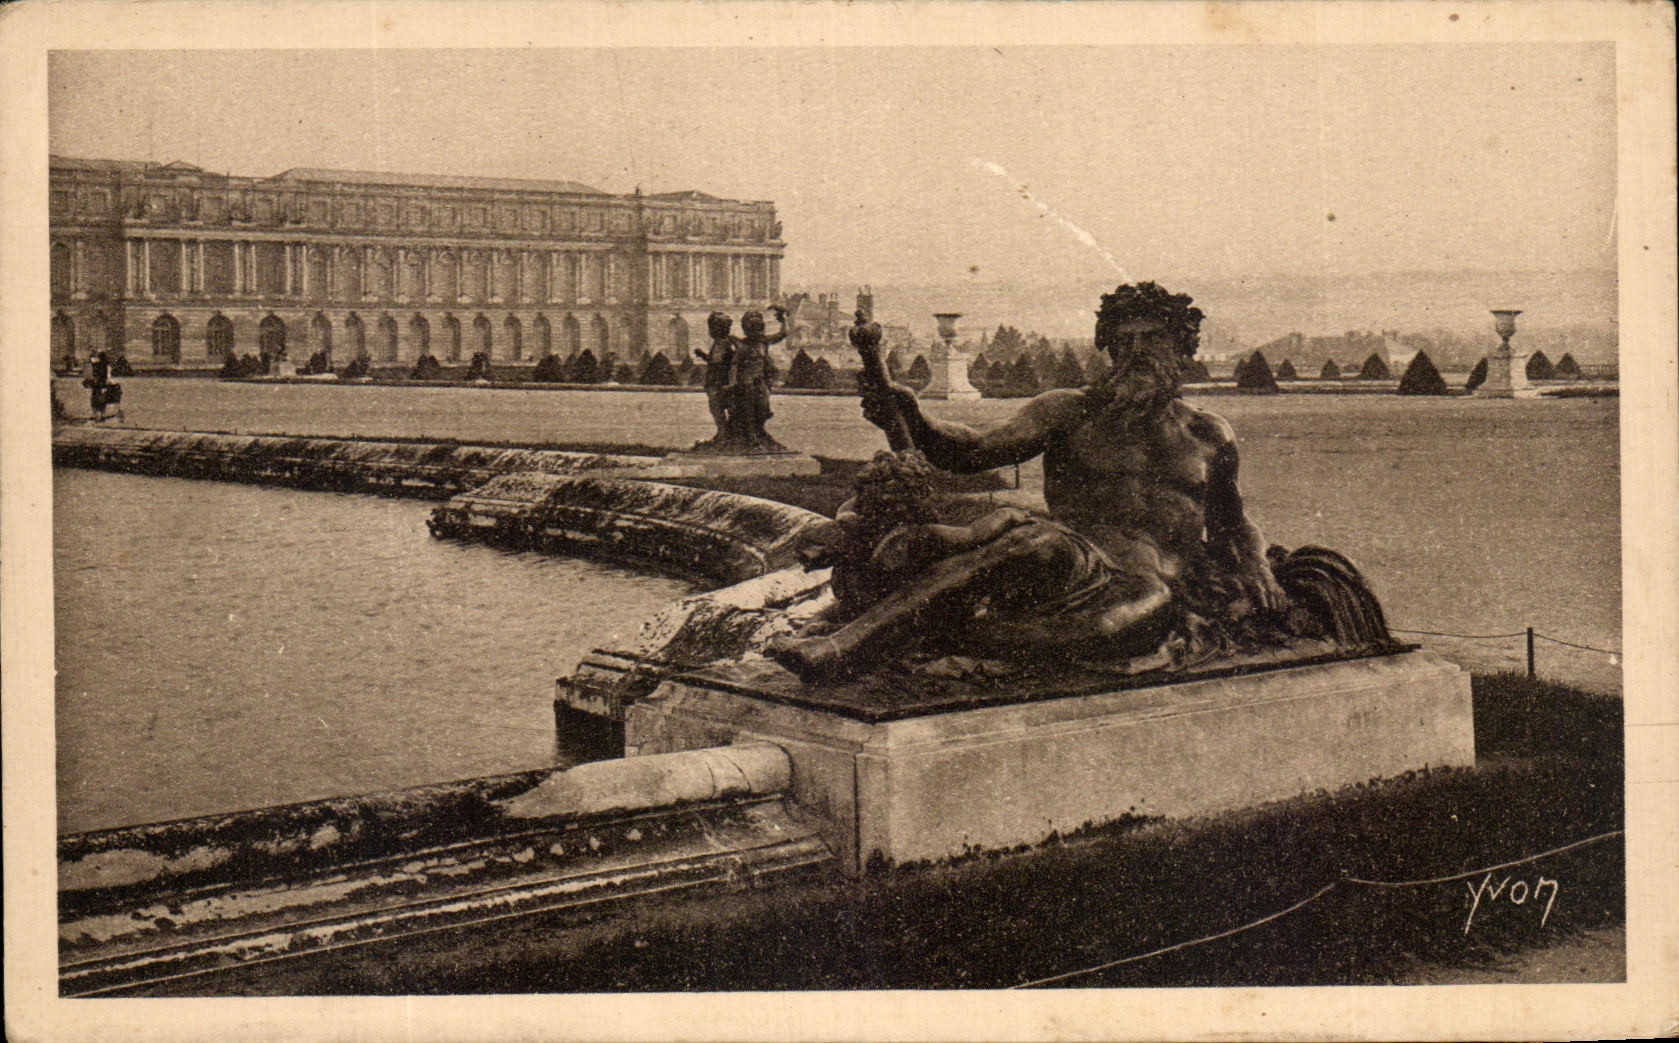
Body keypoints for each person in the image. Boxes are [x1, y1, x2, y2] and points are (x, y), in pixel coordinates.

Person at [771, 283, 1286, 680]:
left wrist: (1258, 566)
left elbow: (1232, 524)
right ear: (1106, 347)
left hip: (1149, 579)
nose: (1136, 351)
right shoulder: (1068, 410)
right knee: (1033, 542)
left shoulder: (1209, 434)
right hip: (1071, 554)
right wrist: (915, 418)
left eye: (1151, 338)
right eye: (1123, 340)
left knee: (1118, 623)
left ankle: (921, 633)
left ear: (1182, 346)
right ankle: (842, 648)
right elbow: (972, 450)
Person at [727, 306, 787, 450]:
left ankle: (758, 433)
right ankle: (752, 437)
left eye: (758, 327)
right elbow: (734, 364)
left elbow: (783, 334)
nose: (756, 330)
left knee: (763, 409)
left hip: (760, 382)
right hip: (746, 382)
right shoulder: (741, 344)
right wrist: (732, 383)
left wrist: (783, 319)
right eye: (752, 327)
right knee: (749, 410)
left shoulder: (763, 342)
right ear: (746, 328)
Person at [692, 312, 736, 449]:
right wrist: (703, 356)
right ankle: (723, 435)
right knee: (718, 410)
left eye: (712, 327)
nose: (710, 331)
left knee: (719, 410)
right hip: (716, 383)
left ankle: (724, 437)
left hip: (720, 384)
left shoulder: (726, 344)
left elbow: (727, 363)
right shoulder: (720, 343)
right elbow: (715, 361)